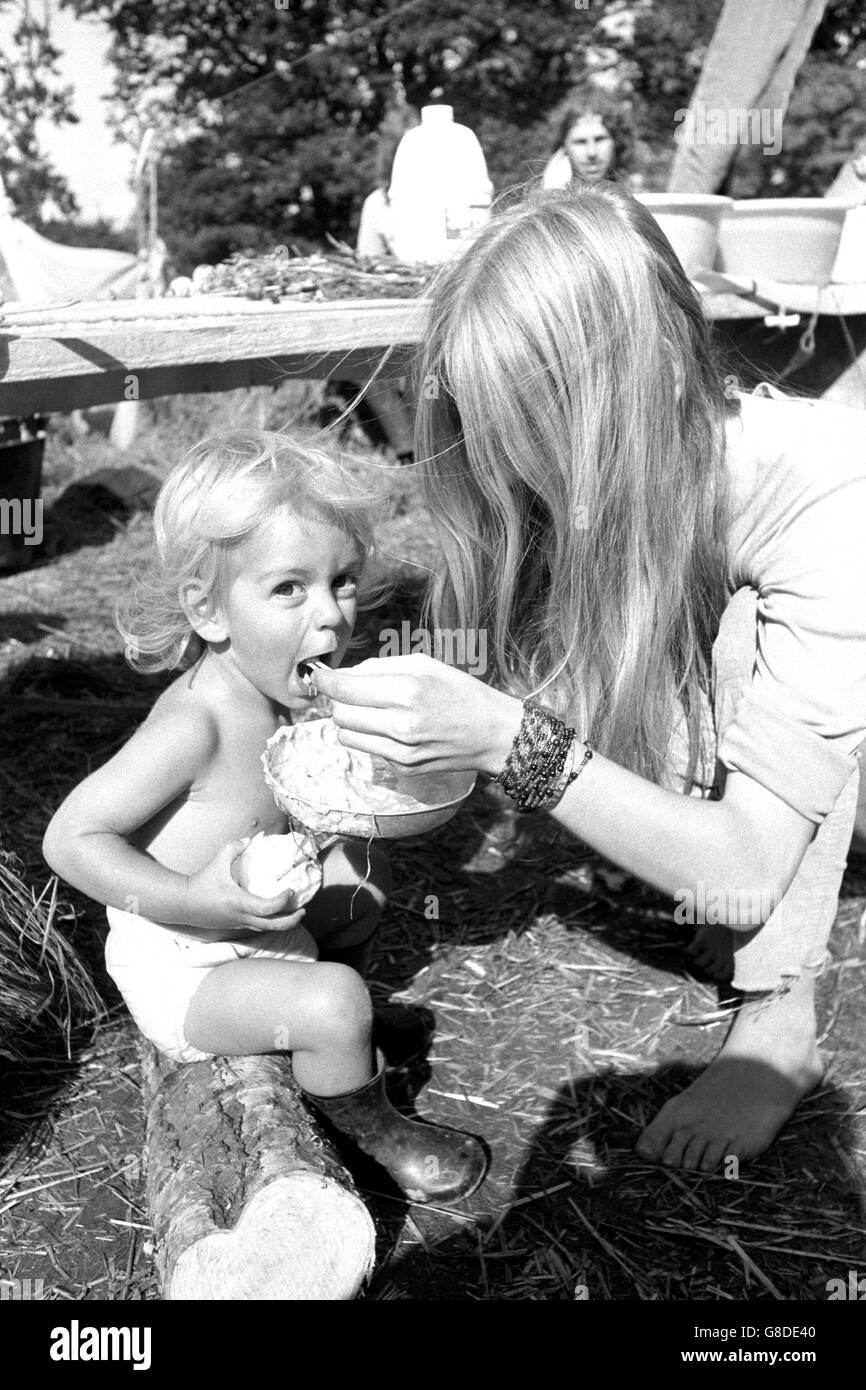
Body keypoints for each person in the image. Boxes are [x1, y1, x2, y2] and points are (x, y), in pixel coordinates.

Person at [312, 182, 866, 1175]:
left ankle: (777, 1019)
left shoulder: (827, 495)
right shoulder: (598, 484)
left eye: (522, 425)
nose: (496, 463)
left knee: (738, 651)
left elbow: (736, 877)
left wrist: (506, 742)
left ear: (624, 397)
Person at [41, 432, 487, 1204]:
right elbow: (68, 841)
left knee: (365, 878)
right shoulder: (194, 725)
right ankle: (364, 1125)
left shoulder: (283, 690)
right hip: (188, 963)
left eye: (343, 581)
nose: (330, 620)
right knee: (336, 1003)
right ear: (210, 612)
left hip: (261, 930)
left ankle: (334, 1038)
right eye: (289, 589)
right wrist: (193, 900)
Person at [541, 87, 634, 190]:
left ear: (617, 142)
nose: (592, 153)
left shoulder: (643, 193)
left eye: (599, 139)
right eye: (580, 142)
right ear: (564, 147)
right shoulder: (545, 199)